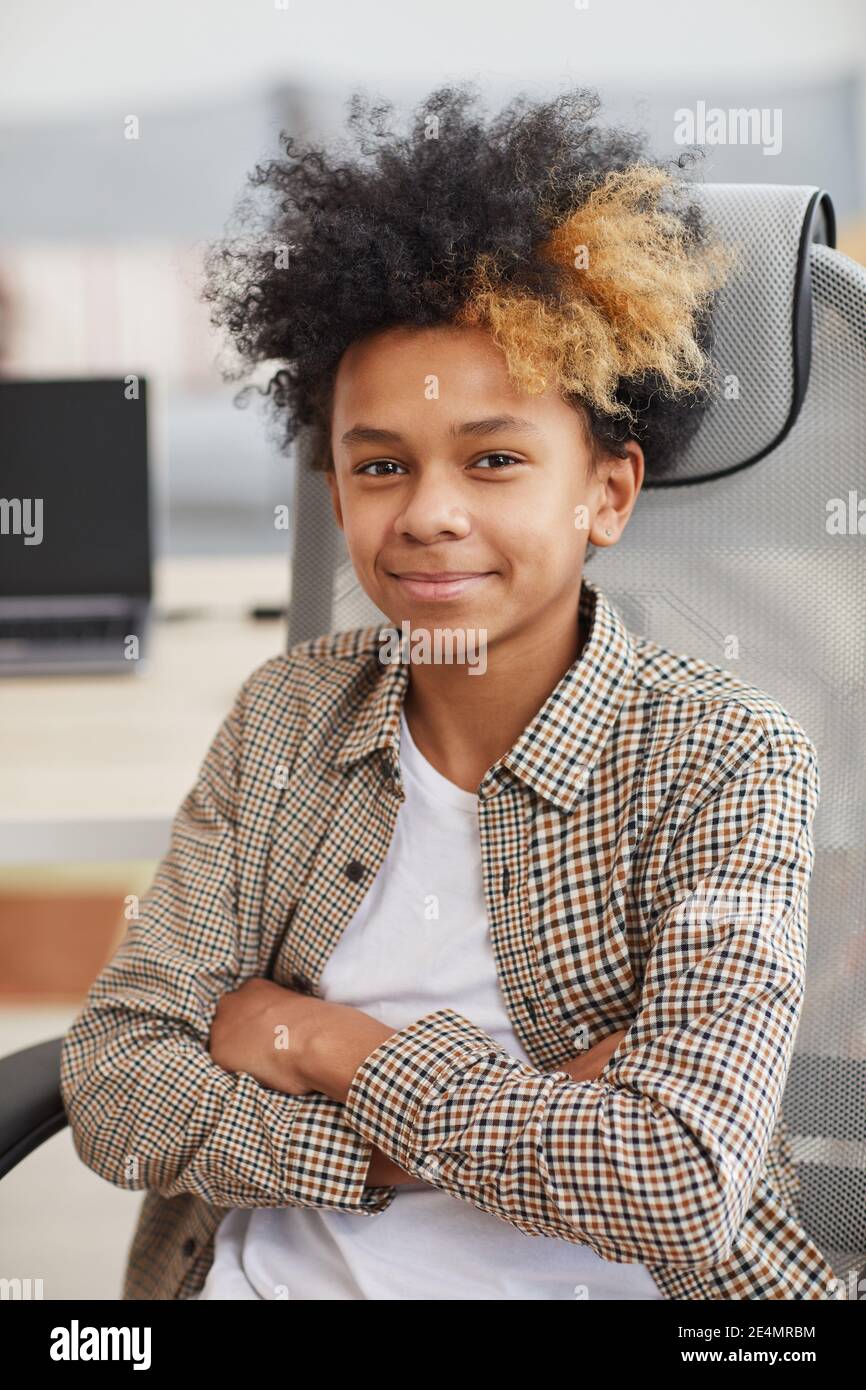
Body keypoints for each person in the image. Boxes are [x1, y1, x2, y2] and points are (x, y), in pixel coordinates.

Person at [60, 81, 843, 1301]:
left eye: (492, 459)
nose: (428, 512)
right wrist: (517, 1120)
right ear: (336, 494)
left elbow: (677, 1180)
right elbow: (115, 1082)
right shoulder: (286, 716)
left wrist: (318, 1042)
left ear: (607, 493)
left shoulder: (723, 752)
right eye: (380, 465)